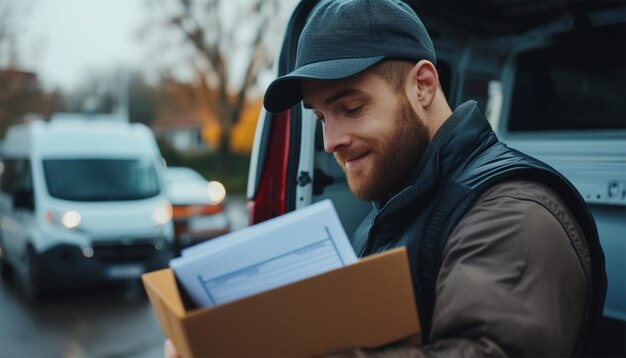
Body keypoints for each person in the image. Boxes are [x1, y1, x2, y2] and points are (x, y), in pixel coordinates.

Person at [165, 0, 606, 356]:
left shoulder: (514, 212)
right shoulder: (398, 203)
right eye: (320, 117)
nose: (330, 141)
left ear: (424, 86)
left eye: (351, 108)